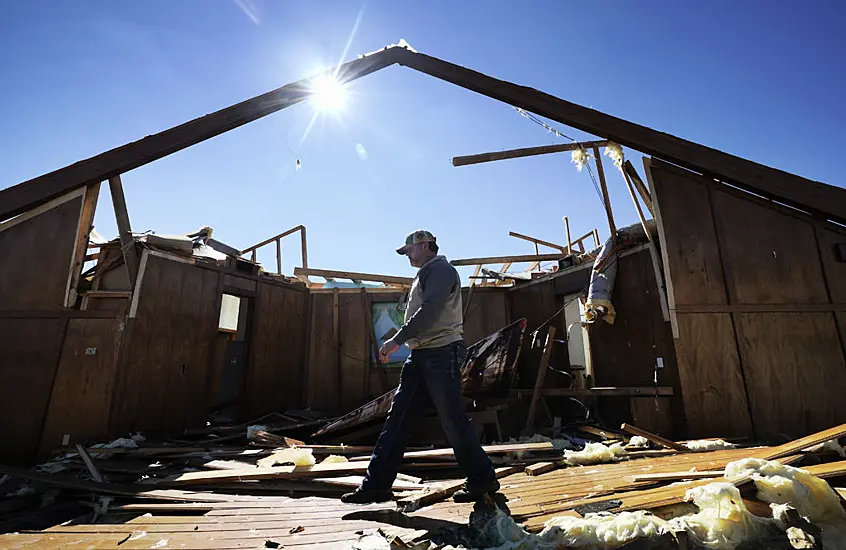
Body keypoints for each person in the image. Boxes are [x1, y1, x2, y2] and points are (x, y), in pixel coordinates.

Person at [341, 230, 500, 504]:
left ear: (426, 245)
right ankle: (376, 485)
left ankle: (482, 479)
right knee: (398, 419)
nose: (407, 256)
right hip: (421, 355)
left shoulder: (441, 270)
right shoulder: (424, 273)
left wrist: (395, 341)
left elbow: (430, 311)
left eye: (410, 250)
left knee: (452, 420)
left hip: (441, 352)